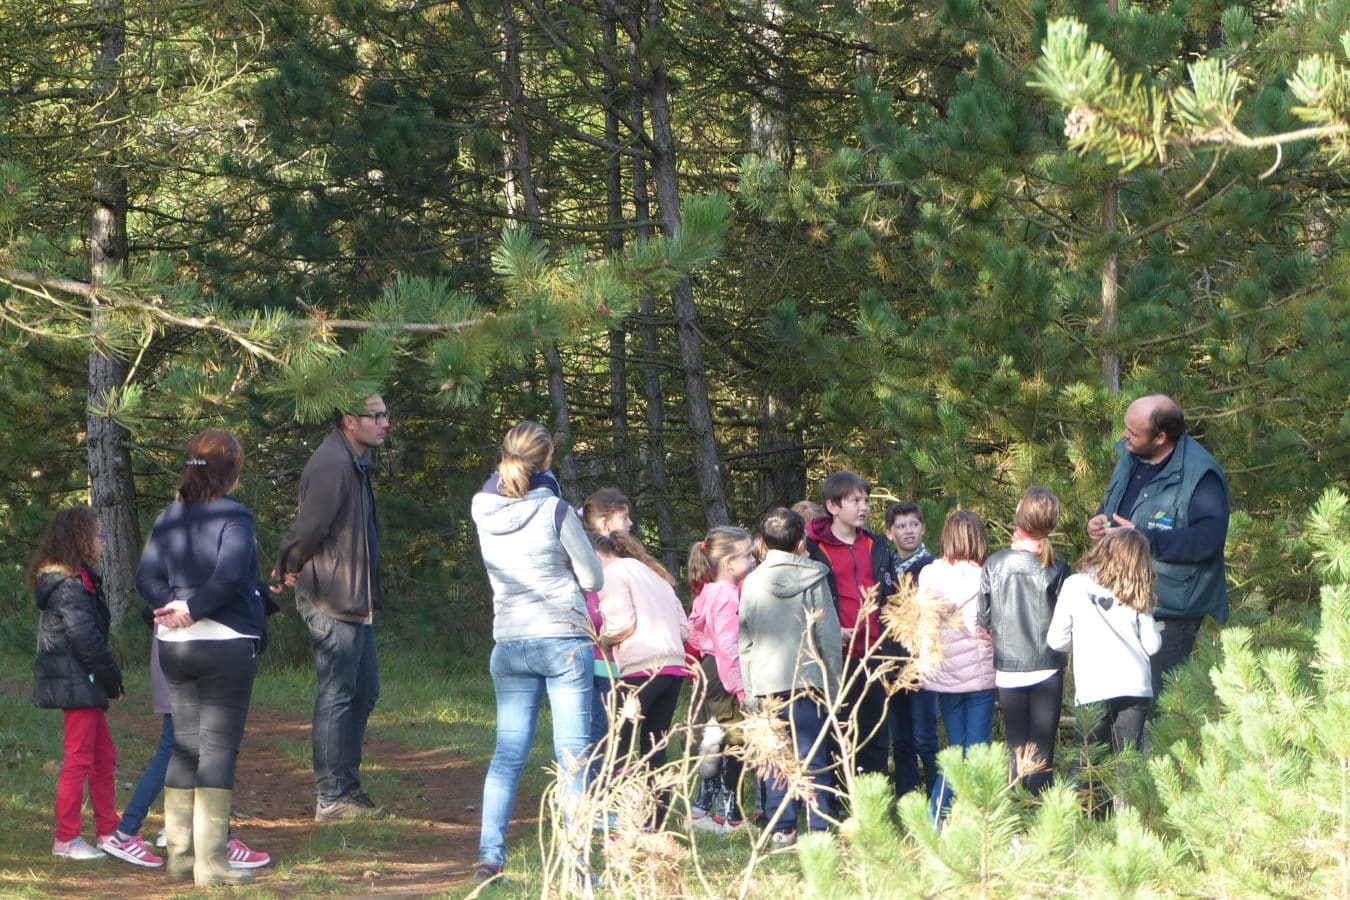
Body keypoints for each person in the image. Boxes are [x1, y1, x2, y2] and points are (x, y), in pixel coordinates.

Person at [471, 422, 603, 884]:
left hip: (508, 639)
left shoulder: (482, 506)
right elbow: (593, 579)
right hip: (561, 637)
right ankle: (579, 865)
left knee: (507, 755)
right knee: (572, 756)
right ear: (547, 460)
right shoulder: (556, 511)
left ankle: (490, 857)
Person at [138, 429, 266, 886]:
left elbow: (146, 575)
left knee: (185, 746)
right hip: (225, 642)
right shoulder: (236, 515)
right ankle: (211, 864)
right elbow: (229, 574)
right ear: (233, 470)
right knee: (216, 749)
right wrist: (193, 608)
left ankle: (178, 860)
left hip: (173, 645)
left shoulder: (169, 516)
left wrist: (170, 608)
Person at [277, 395, 390, 822]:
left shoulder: (354, 461)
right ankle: (331, 796)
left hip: (353, 597)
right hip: (331, 596)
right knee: (338, 694)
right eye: (375, 416)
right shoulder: (332, 464)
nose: (384, 423)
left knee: (363, 691)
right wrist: (287, 565)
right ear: (349, 421)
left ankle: (347, 788)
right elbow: (308, 528)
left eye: (385, 414)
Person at [1086, 394, 1229, 700]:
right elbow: (1116, 505)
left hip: (1168, 610)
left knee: (1156, 704)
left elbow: (1208, 541)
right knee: (1116, 699)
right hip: (1119, 597)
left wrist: (1143, 538)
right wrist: (1099, 519)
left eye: (1133, 432)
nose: (1124, 435)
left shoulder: (1201, 477)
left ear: (1161, 437)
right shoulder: (1131, 455)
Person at [100, 638, 270, 870]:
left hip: (182, 666)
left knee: (192, 751)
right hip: (186, 670)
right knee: (190, 750)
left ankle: (180, 832)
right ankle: (130, 832)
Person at [738, 508, 842, 848]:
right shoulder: (813, 577)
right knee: (813, 754)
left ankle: (782, 827)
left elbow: (746, 639)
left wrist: (749, 690)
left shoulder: (751, 581)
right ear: (801, 541)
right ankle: (818, 824)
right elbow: (826, 634)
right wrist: (834, 683)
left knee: (774, 755)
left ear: (764, 543)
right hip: (808, 678)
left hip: (767, 682)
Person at [32, 507, 124, 861]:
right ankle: (66, 839)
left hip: (84, 682)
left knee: (105, 756)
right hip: (78, 682)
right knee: (78, 759)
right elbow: (86, 639)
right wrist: (111, 678)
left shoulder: (81, 578)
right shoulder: (69, 585)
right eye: (99, 535)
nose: (102, 542)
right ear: (81, 539)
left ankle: (108, 830)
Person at [805, 472, 895, 788]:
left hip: (874, 655)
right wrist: (830, 628)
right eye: (855, 501)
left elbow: (892, 595)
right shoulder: (812, 549)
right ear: (832, 506)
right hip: (834, 658)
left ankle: (874, 801)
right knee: (837, 731)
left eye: (866, 501)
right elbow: (803, 603)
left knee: (874, 733)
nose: (863, 508)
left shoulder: (876, 544)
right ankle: (838, 799)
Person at [594, 531, 690, 829]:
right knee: (654, 745)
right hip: (673, 668)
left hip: (641, 669)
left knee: (618, 743)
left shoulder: (611, 574)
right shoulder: (655, 575)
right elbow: (685, 629)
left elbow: (622, 624)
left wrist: (600, 639)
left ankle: (620, 813)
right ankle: (657, 820)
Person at [978, 486, 1069, 797]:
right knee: (1043, 746)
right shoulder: (1059, 567)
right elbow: (1065, 621)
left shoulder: (994, 563)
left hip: (1009, 668)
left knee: (1016, 746)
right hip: (1047, 666)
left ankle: (1016, 814)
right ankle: (1041, 816)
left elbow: (984, 616)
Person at [1048, 529, 1161, 761]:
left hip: (1094, 687)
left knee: (1087, 765)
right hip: (1135, 686)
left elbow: (1056, 640)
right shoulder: (1137, 591)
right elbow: (1152, 645)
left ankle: (1082, 799)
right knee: (1128, 767)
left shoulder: (1075, 584)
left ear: (1104, 549)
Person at [915, 510, 994, 821]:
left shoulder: (928, 576)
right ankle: (968, 819)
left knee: (955, 751)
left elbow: (922, 625)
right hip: (980, 676)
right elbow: (991, 626)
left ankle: (936, 819)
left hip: (944, 676)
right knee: (976, 752)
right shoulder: (985, 576)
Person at [686, 526, 757, 833]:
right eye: (748, 555)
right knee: (735, 743)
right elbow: (728, 646)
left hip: (709, 669)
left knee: (714, 742)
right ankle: (731, 817)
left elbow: (694, 630)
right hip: (724, 674)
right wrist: (740, 689)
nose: (753, 560)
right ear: (730, 563)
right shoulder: (727, 597)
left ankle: (701, 810)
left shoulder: (708, 591)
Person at [580, 488, 633, 785]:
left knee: (613, 731)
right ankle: (591, 792)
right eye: (624, 517)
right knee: (597, 730)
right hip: (599, 662)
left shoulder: (614, 561)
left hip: (614, 664)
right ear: (603, 523)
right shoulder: (597, 563)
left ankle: (608, 790)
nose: (630, 524)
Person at [884, 500, 937, 799]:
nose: (908, 531)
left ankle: (937, 798)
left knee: (925, 737)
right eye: (901, 526)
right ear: (890, 532)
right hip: (891, 663)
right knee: (901, 739)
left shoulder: (932, 567)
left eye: (914, 525)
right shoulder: (885, 567)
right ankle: (906, 799)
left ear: (923, 528)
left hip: (922, 662)